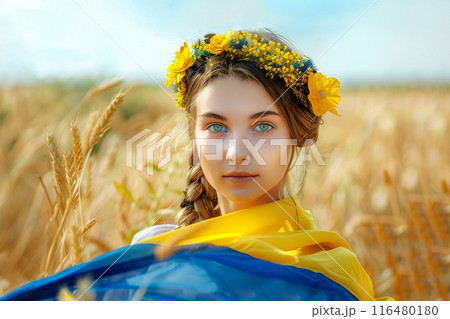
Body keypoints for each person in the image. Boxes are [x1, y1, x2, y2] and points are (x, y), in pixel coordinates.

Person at [0, 29, 394, 301]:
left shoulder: (328, 269)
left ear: (299, 135)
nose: (237, 152)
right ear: (194, 134)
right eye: (216, 126)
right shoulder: (153, 251)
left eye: (262, 125)